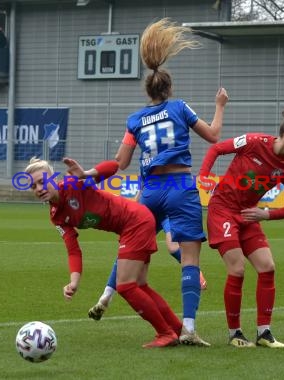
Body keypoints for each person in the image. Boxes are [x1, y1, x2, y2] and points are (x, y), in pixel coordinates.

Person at [113, 18, 229, 347]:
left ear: (148, 90)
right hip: (180, 187)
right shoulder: (179, 107)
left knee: (131, 259)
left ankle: (112, 294)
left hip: (149, 191)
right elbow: (213, 135)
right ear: (169, 88)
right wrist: (220, 107)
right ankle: (188, 328)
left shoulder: (134, 120)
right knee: (190, 260)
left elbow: (121, 164)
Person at [25, 156, 182, 348]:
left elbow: (113, 167)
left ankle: (165, 333)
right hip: (131, 227)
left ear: (52, 178)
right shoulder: (56, 216)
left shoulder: (73, 184)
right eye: (33, 186)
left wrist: (85, 174)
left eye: (42, 182)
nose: (39, 189)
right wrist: (74, 281)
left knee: (125, 286)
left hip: (135, 221)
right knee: (139, 285)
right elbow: (73, 249)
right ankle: (178, 329)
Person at [198, 108, 284, 349]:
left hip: (249, 215)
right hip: (223, 209)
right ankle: (235, 333)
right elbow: (217, 148)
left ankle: (264, 332)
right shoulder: (253, 142)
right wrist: (204, 175)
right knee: (237, 269)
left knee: (267, 267)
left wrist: (266, 214)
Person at [88, 216, 208, 321]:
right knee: (131, 249)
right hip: (159, 207)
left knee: (130, 250)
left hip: (160, 207)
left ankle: (106, 296)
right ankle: (106, 296)